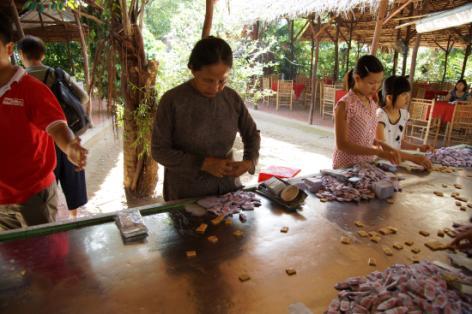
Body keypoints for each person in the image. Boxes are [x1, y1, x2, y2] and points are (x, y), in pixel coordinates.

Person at [0, 14, 87, 230]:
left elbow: (57, 126)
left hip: (32, 197)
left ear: (10, 49)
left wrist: (70, 147)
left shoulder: (31, 89)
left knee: (43, 258)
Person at [151, 36, 260, 201]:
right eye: (208, 80)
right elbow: (159, 151)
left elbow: (251, 134)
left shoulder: (231, 98)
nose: (216, 88)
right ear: (193, 69)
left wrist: (249, 161)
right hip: (185, 194)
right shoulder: (172, 101)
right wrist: (203, 163)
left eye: (222, 80)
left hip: (227, 190)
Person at [17, 35, 89, 218]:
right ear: (42, 54)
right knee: (73, 177)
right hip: (67, 135)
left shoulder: (21, 80)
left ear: (21, 54)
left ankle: (52, 217)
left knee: (48, 183)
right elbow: (83, 98)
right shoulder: (58, 74)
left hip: (41, 143)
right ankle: (74, 217)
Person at [333, 55, 401, 169]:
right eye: (371, 83)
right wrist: (377, 152)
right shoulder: (345, 105)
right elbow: (342, 145)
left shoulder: (372, 103)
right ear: (357, 78)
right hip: (346, 168)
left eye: (379, 82)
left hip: (365, 165)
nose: (376, 87)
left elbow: (366, 138)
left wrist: (389, 149)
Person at [376, 76, 433, 170]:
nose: (407, 97)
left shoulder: (404, 115)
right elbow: (384, 148)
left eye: (408, 93)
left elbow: (399, 142)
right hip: (381, 163)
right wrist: (413, 158)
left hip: (396, 162)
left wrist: (419, 148)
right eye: (403, 94)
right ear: (390, 98)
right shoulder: (380, 115)